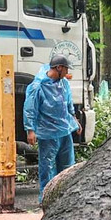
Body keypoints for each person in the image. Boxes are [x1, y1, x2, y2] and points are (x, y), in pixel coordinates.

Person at [25, 54, 79, 198]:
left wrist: (74, 120)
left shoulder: (64, 83)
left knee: (67, 167)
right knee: (47, 167)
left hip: (64, 131)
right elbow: (30, 108)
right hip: (48, 133)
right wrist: (30, 130)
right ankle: (46, 197)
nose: (67, 72)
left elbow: (68, 103)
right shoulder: (38, 86)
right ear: (59, 68)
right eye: (66, 69)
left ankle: (66, 197)